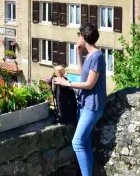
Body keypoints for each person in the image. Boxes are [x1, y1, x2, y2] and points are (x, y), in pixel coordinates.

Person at [55, 23, 106, 176]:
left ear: (83, 37)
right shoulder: (90, 55)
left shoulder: (97, 56)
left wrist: (67, 83)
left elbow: (89, 84)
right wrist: (78, 53)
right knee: (86, 143)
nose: (78, 39)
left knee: (77, 143)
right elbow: (83, 74)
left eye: (79, 36)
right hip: (84, 105)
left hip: (92, 107)